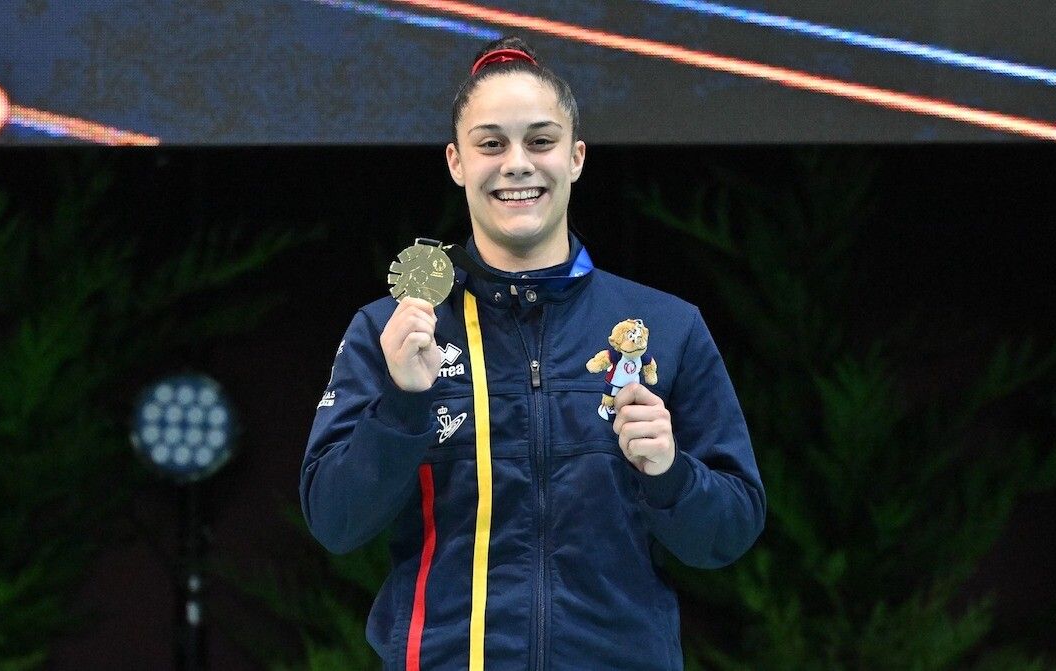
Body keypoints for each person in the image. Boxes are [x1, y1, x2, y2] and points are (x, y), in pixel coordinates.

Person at [300, 36, 764, 670]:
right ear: (456, 162)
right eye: (490, 143)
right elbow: (334, 521)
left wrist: (670, 473)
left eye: (540, 141)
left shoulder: (667, 325)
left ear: (575, 158)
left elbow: (730, 533)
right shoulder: (394, 331)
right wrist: (403, 406)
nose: (517, 163)